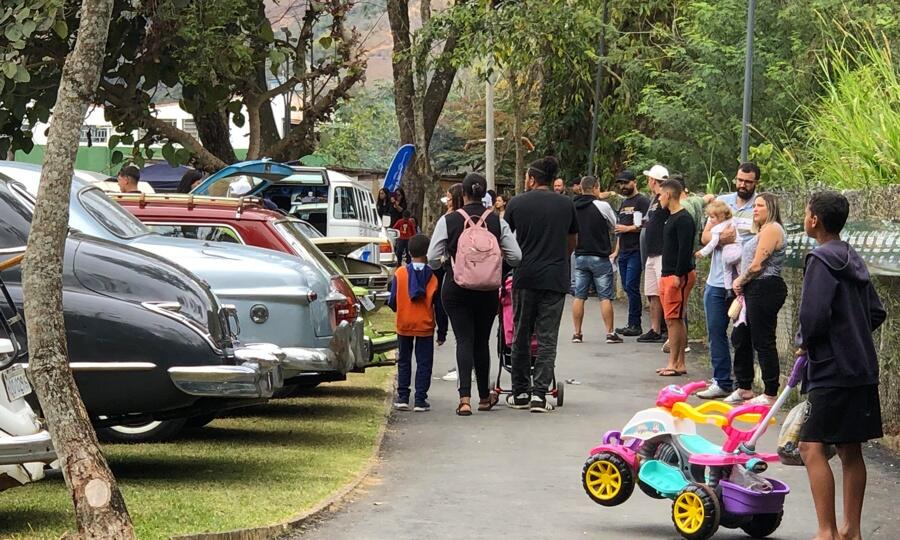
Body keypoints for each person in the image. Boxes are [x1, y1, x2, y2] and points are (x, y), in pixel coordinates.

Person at [796, 192, 885, 540]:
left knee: (811, 447)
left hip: (831, 369)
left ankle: (826, 531)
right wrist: (853, 335)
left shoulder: (820, 260)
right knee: (850, 448)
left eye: (806, 213)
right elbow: (876, 312)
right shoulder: (853, 257)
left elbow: (813, 317)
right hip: (862, 368)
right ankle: (852, 530)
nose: (805, 217)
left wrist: (809, 343)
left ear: (815, 219)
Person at [428, 173, 521, 416]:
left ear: (464, 194)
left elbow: (431, 258)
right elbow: (516, 256)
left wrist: (447, 264)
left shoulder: (448, 220)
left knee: (464, 340)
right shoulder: (497, 222)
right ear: (485, 194)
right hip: (488, 290)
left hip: (456, 289)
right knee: (481, 341)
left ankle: (464, 399)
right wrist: (498, 267)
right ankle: (483, 397)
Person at [504, 156, 578, 413]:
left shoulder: (516, 203)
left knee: (521, 332)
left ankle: (520, 391)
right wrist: (557, 258)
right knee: (547, 337)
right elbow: (572, 241)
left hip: (525, 275)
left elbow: (506, 240)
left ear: (532, 179)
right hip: (555, 277)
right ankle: (540, 394)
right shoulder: (566, 205)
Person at [696, 162, 760, 400]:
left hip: (745, 280)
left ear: (756, 183)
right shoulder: (723, 202)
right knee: (715, 330)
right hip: (716, 280)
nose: (743, 184)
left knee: (744, 334)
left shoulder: (760, 205)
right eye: (740, 180)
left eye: (748, 181)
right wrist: (721, 239)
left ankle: (744, 383)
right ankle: (721, 380)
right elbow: (704, 237)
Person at [725, 192, 787, 406]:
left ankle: (770, 392)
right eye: (755, 206)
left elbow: (758, 264)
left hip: (765, 287)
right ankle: (744, 387)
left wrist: (740, 280)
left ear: (771, 208)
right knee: (740, 337)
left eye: (760, 205)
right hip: (751, 289)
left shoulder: (772, 229)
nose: (755, 209)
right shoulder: (759, 231)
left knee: (763, 340)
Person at [388, 234, 438, 412]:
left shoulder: (400, 274)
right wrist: (442, 330)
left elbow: (393, 300)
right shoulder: (432, 276)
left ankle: (402, 397)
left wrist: (399, 309)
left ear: (409, 251)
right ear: (427, 253)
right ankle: (420, 399)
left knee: (404, 360)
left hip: (404, 322)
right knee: (424, 362)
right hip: (424, 324)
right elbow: (437, 305)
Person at [571, 176, 620, 344]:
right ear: (595, 188)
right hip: (600, 256)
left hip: (580, 255)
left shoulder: (573, 206)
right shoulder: (602, 206)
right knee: (605, 296)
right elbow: (616, 225)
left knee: (579, 295)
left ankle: (577, 333)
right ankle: (610, 333)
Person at [656, 180, 696, 376]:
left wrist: (679, 275)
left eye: (661, 194)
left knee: (674, 319)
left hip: (677, 275)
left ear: (669, 195)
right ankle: (677, 362)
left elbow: (685, 250)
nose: (658, 197)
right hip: (667, 273)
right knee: (674, 319)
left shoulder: (684, 219)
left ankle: (675, 362)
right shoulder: (669, 217)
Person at [612, 170, 650, 337]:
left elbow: (647, 224)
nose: (623, 186)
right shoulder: (623, 203)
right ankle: (631, 322)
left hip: (636, 249)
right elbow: (619, 229)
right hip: (624, 251)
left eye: (626, 183)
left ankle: (636, 323)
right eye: (620, 183)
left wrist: (628, 229)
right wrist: (616, 251)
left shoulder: (642, 201)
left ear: (634, 182)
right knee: (628, 287)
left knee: (631, 286)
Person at [636, 164, 670, 344]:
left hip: (662, 250)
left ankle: (668, 329)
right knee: (652, 292)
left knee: (664, 291)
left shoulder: (665, 197)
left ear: (653, 181)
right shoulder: (653, 199)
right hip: (650, 251)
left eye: (649, 179)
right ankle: (655, 328)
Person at [695, 201, 742, 291]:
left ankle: (728, 289)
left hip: (727, 254)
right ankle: (740, 284)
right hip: (739, 250)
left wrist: (702, 252)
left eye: (712, 217)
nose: (710, 220)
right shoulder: (732, 221)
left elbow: (713, 243)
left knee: (727, 271)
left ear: (721, 217)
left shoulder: (717, 229)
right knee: (740, 270)